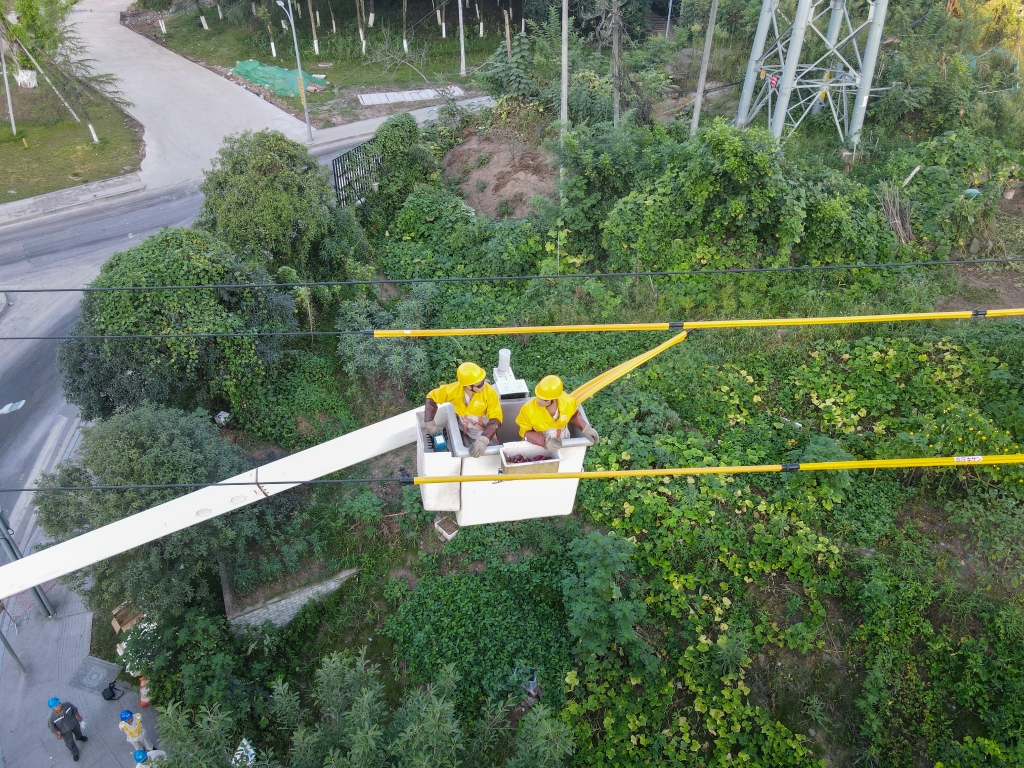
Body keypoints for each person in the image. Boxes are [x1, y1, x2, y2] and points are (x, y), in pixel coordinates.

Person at [424, 362, 503, 458]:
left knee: (491, 457)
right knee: (467, 455)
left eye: (483, 381)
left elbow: (496, 418)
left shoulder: (489, 392)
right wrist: (430, 424)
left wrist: (484, 439)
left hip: (484, 432)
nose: (483, 385)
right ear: (467, 386)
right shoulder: (455, 390)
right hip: (465, 431)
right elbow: (431, 397)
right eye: (479, 385)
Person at [515, 375, 599, 451]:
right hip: (539, 443)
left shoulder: (567, 403)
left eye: (544, 399)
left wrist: (586, 428)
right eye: (538, 397)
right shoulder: (528, 409)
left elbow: (573, 414)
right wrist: (544, 442)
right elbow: (525, 431)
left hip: (563, 440)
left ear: (554, 399)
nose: (539, 401)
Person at [46, 697, 88, 762]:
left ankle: (79, 737)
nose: (59, 705)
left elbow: (74, 710)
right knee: (69, 742)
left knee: (78, 731)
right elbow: (52, 728)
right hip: (65, 731)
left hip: (74, 724)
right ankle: (75, 753)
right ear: (52, 708)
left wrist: (79, 717)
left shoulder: (67, 705)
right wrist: (57, 735)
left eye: (59, 703)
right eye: (56, 705)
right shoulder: (51, 718)